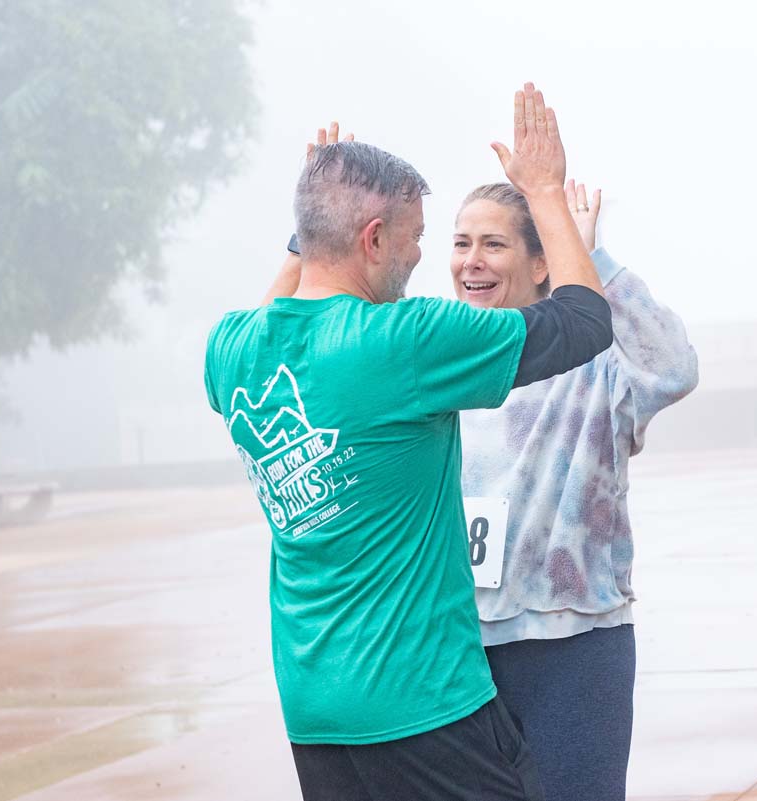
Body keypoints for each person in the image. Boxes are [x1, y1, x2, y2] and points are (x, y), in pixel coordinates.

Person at [204, 83, 613, 801]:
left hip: (315, 714)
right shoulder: (402, 340)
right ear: (372, 239)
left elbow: (284, 303)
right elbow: (583, 320)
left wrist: (311, 224)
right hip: (425, 705)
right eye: (416, 238)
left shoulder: (230, 351)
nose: (422, 257)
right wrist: (545, 191)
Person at [453, 179, 699, 801]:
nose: (471, 260)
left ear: (542, 263)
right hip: (459, 650)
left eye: (492, 244)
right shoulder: (443, 369)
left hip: (574, 648)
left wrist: (590, 263)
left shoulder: (596, 368)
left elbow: (672, 367)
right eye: (460, 244)